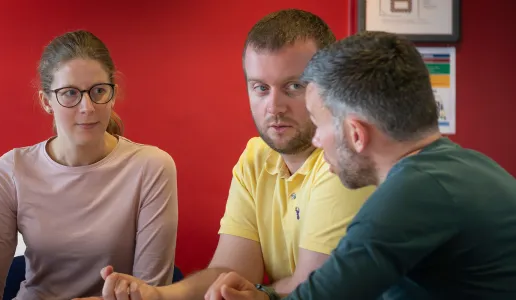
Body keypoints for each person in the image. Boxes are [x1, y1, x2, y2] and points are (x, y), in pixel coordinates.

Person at [78, 9, 375, 300]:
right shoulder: (257, 157)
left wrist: (258, 294)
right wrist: (157, 295)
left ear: (329, 86)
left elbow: (311, 289)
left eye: (293, 86)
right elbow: (232, 272)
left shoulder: (345, 161)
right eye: (260, 88)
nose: (274, 107)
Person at [209, 31, 516, 300]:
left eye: (318, 124)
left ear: (356, 134)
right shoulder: (467, 167)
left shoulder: (412, 194)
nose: (316, 140)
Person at [0, 30, 179, 299]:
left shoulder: (151, 167)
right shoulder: (12, 169)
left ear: (113, 95)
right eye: (69, 93)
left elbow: (150, 292)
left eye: (99, 91)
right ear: (46, 101)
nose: (87, 107)